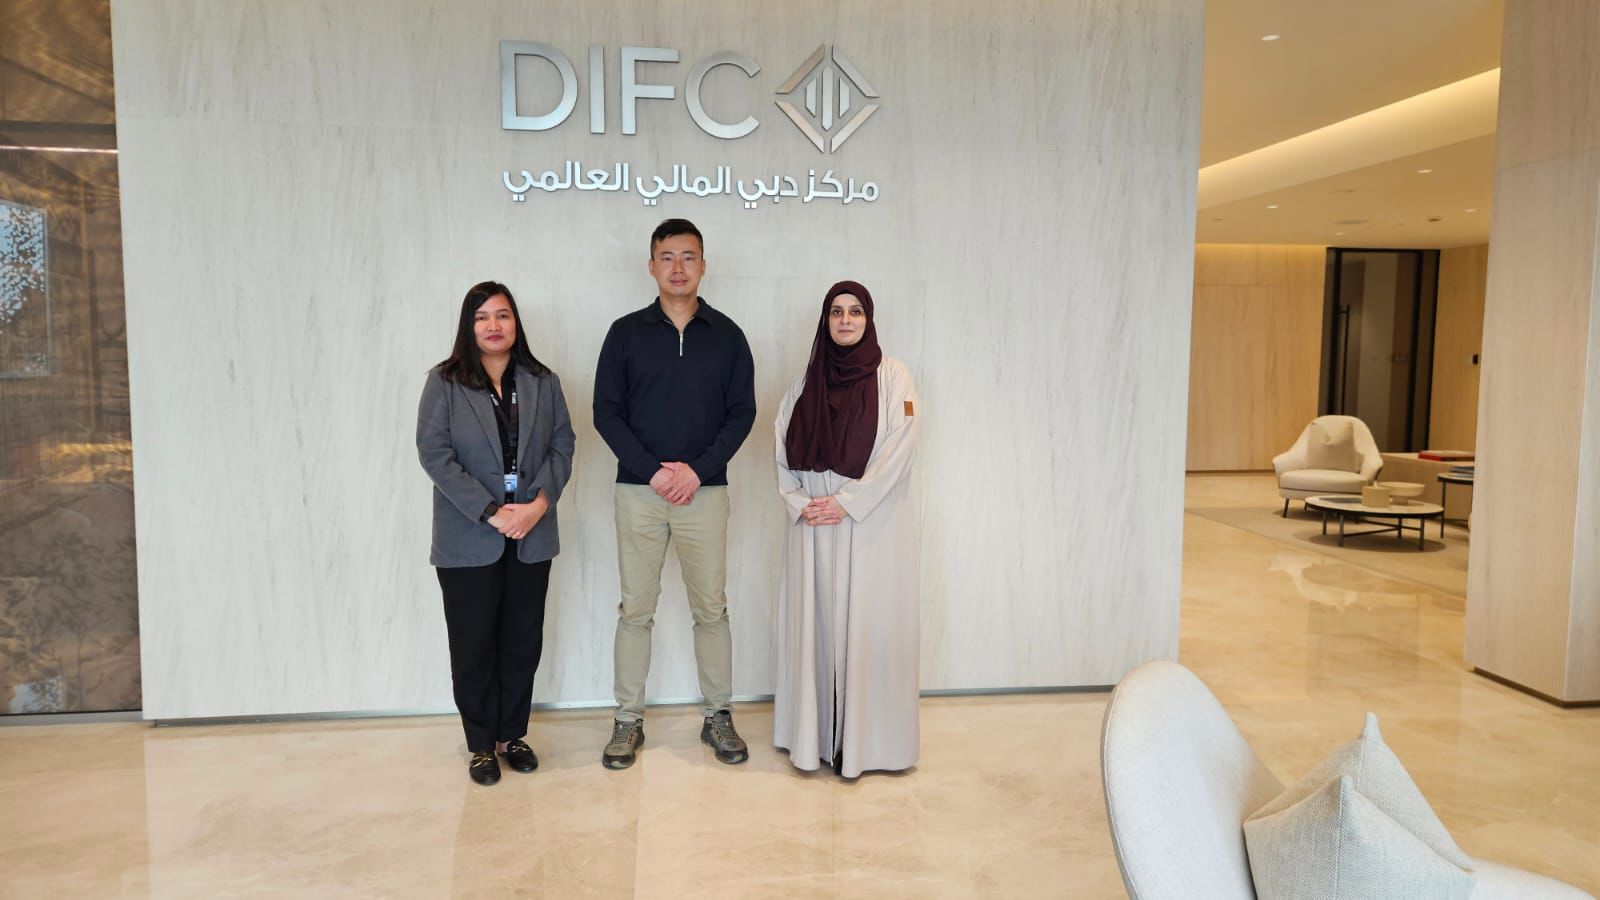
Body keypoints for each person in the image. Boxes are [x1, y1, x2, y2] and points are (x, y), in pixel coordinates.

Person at [592, 218, 757, 769]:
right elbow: (606, 413)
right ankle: (627, 720)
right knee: (635, 610)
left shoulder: (728, 336)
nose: (678, 267)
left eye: (688, 257)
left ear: (704, 265)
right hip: (638, 494)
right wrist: (653, 472)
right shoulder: (625, 334)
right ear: (651, 266)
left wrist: (697, 472)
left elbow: (742, 414)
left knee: (711, 608)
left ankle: (718, 715)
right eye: (667, 257)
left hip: (704, 495)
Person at [416, 281, 575, 785]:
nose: (493, 325)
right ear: (469, 326)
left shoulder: (542, 381)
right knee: (474, 644)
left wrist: (538, 504)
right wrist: (491, 512)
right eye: (482, 317)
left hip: (532, 532)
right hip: (468, 536)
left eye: (502, 315)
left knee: (521, 641)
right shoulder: (445, 382)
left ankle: (513, 735)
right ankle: (482, 744)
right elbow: (435, 455)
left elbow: (563, 446)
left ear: (515, 323)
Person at [772, 280, 922, 777]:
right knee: (815, 629)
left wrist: (848, 502)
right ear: (826, 320)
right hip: (814, 521)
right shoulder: (805, 381)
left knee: (868, 626)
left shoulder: (893, 377)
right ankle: (813, 739)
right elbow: (780, 444)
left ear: (868, 319)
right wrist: (802, 502)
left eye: (855, 311)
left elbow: (901, 446)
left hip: (870, 525)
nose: (845, 320)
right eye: (836, 311)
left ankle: (869, 747)